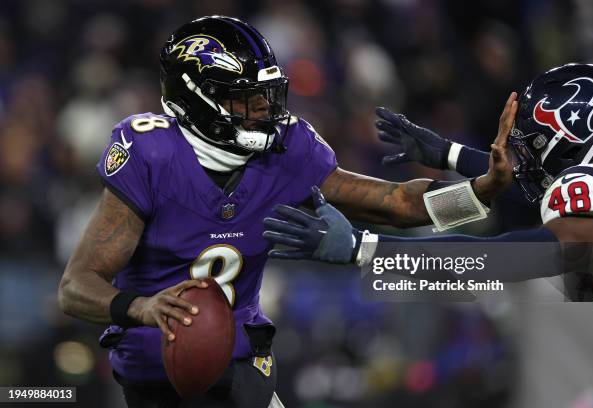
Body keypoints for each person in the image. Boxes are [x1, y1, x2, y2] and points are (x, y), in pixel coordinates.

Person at [57, 16, 512, 408]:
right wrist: (142, 307)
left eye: (265, 94)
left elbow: (396, 204)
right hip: (152, 376)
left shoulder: (288, 151)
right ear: (195, 98)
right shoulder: (152, 154)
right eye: (243, 97)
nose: (262, 108)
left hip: (241, 369)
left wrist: (479, 193)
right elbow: (76, 286)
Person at [263, 63, 593, 309]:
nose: (524, 165)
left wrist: (364, 249)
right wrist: (453, 155)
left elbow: (512, 259)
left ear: (569, 141)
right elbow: (513, 188)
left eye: (530, 148)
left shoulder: (586, 187)